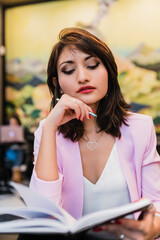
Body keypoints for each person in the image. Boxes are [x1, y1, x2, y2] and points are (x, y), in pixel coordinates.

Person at [29, 27, 160, 240]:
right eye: (68, 70)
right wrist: (50, 125)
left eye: (92, 65)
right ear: (57, 84)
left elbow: (156, 201)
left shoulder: (141, 128)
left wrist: (155, 227)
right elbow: (44, 216)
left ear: (109, 71)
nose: (82, 77)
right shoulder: (48, 132)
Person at [5, 114, 25, 183]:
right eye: (11, 123)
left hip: (19, 151)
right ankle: (16, 175)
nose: (13, 125)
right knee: (18, 152)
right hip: (9, 152)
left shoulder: (22, 131)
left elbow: (24, 143)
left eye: (14, 123)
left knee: (20, 150)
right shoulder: (5, 132)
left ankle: (15, 175)